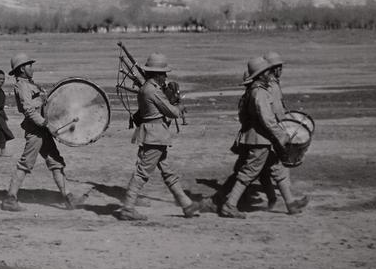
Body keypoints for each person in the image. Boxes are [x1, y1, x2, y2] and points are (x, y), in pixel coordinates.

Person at [215, 56, 309, 218]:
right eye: (266, 71)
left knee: (279, 170)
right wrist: (282, 135)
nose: (270, 72)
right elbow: (267, 118)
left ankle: (290, 204)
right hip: (260, 140)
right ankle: (229, 206)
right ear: (261, 73)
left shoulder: (259, 90)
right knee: (248, 173)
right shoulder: (260, 92)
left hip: (263, 139)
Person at [114, 53, 200, 221]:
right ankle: (128, 208)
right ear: (157, 74)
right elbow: (172, 112)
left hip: (154, 135)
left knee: (168, 172)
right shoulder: (152, 90)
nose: (165, 77)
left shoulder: (148, 88)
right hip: (155, 136)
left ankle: (186, 204)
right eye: (163, 74)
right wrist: (179, 106)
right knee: (142, 173)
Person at [0, 53, 76, 212]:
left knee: (56, 162)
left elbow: (40, 104)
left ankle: (68, 197)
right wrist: (45, 123)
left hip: (43, 130)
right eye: (29, 65)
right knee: (26, 163)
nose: (32, 68)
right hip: (36, 131)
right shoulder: (21, 86)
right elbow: (28, 110)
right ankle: (9, 199)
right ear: (22, 68)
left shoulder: (30, 84)